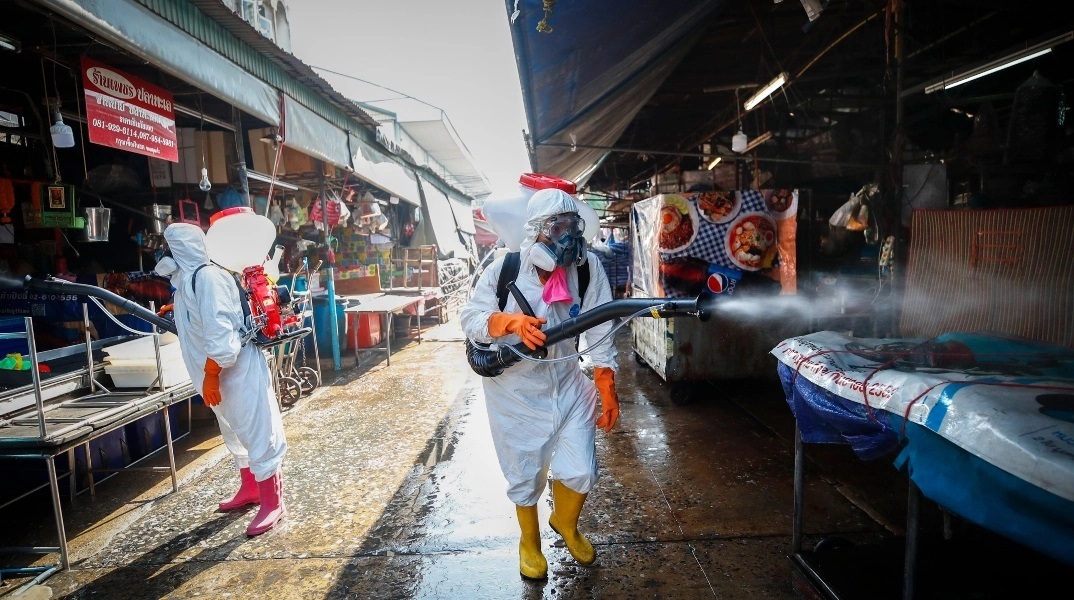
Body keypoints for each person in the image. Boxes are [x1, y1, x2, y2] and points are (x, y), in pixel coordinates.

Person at [460, 188, 619, 580]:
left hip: (567, 382)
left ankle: (565, 523)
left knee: (581, 468)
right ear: (536, 232)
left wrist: (605, 383)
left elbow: (601, 324)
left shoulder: (586, 268)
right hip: (515, 392)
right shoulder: (504, 269)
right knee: (525, 473)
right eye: (557, 227)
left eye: (572, 226)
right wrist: (508, 323)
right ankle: (528, 543)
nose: (567, 237)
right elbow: (471, 318)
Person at [154, 223, 287, 537]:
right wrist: (180, 309)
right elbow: (206, 315)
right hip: (216, 378)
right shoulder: (189, 281)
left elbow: (224, 340)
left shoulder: (207, 278)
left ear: (181, 250)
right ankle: (251, 489)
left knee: (258, 431)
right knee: (235, 433)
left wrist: (212, 375)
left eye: (168, 248)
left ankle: (273, 502)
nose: (164, 254)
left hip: (235, 374)